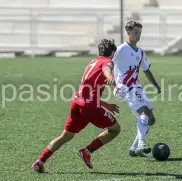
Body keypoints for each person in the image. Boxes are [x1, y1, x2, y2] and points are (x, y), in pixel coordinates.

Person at [32, 39, 120, 173]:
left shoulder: (92, 62)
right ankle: (86, 151)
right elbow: (107, 68)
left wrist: (105, 104)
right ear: (112, 53)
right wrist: (110, 77)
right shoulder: (107, 62)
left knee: (65, 136)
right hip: (89, 107)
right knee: (115, 129)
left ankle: (39, 162)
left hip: (77, 103)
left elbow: (88, 92)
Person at [112, 21, 161, 157]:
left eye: (139, 32)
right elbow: (108, 64)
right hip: (125, 88)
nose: (138, 35)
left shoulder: (140, 52)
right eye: (135, 32)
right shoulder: (121, 49)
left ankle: (134, 148)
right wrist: (111, 81)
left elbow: (146, 70)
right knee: (144, 112)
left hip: (137, 87)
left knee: (151, 119)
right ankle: (141, 144)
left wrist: (156, 85)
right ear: (128, 33)